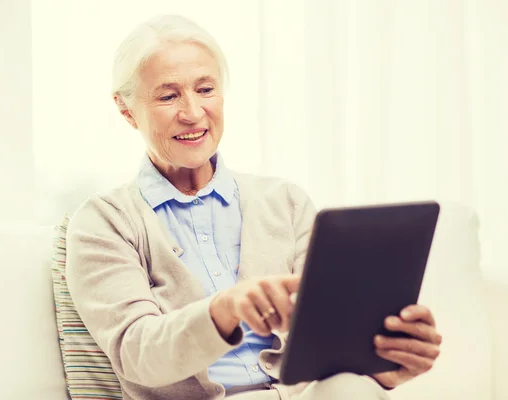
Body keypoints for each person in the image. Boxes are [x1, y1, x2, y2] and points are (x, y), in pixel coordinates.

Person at [65, 14, 442, 400]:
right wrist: (224, 309)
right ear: (126, 110)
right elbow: (137, 352)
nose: (193, 113)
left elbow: (330, 336)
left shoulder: (286, 203)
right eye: (168, 95)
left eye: (205, 89)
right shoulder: (104, 221)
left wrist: (388, 362)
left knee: (353, 388)